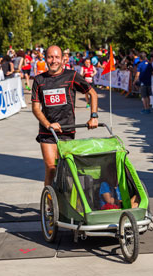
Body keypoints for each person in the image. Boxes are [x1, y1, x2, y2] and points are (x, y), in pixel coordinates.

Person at [31, 45, 99, 187]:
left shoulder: (71, 76)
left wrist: (93, 116)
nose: (53, 60)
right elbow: (36, 108)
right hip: (47, 131)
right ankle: (49, 202)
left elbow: (92, 93)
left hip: (67, 129)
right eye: (50, 57)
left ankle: (66, 201)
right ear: (45, 59)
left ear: (63, 59)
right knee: (51, 168)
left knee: (67, 170)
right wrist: (48, 124)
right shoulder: (39, 80)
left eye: (57, 57)